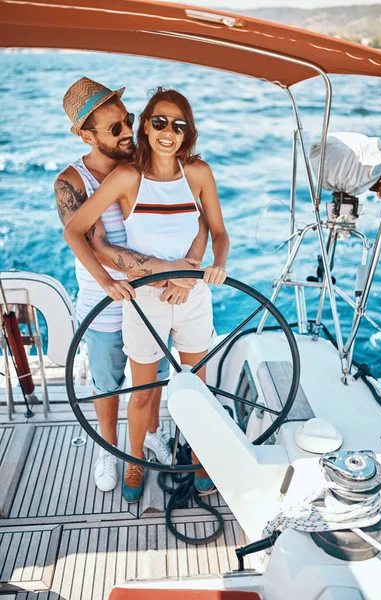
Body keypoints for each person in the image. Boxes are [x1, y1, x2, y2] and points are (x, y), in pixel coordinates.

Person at [63, 87, 229, 503]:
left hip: (186, 295)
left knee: (192, 388)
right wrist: (105, 281)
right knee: (129, 391)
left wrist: (200, 267)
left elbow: (213, 227)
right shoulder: (112, 178)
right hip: (133, 299)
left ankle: (195, 452)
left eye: (178, 124)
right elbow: (81, 233)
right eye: (157, 122)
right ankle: (125, 457)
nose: (166, 131)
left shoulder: (195, 172)